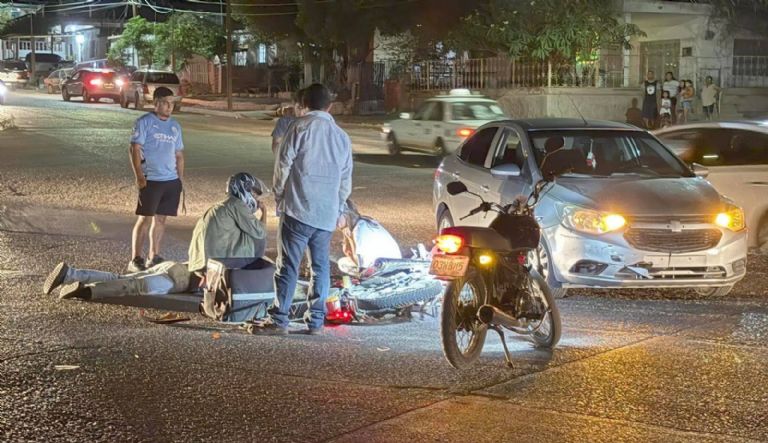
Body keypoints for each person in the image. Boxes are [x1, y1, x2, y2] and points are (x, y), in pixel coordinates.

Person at [251, 83, 353, 335]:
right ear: (329, 106)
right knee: (320, 268)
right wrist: (339, 207)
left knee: (288, 266)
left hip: (298, 208)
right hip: (326, 214)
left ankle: (279, 319)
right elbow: (345, 179)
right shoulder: (341, 136)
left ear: (303, 104)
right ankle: (316, 321)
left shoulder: (299, 127)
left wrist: (280, 194)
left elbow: (282, 165)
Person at [128, 86, 184, 273]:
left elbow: (179, 155)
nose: (170, 107)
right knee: (144, 219)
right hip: (151, 179)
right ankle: (136, 258)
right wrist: (139, 176)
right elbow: (134, 149)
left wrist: (180, 181)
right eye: (166, 103)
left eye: (172, 103)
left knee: (161, 220)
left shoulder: (175, 126)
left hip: (171, 180)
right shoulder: (144, 122)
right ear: (156, 103)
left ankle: (154, 256)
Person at [188, 172, 269, 273]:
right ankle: (249, 271)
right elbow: (260, 231)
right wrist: (264, 211)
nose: (256, 199)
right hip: (219, 261)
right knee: (257, 237)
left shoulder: (222, 205)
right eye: (255, 194)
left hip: (199, 261)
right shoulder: (236, 204)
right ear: (245, 190)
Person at [43, 260, 195, 301]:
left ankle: (69, 274)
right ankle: (86, 291)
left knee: (121, 278)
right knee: (133, 286)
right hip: (183, 279)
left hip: (177, 266)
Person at [337, 199, 401, 270]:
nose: (334, 221)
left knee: (343, 263)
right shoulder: (363, 222)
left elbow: (360, 263)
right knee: (345, 261)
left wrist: (350, 239)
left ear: (346, 214)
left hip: (384, 267)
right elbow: (349, 252)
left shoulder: (358, 230)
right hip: (393, 263)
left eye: (337, 217)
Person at [271, 89, 305, 155]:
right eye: (298, 107)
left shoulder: (315, 123)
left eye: (304, 108)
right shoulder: (285, 121)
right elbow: (275, 145)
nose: (301, 112)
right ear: (293, 104)